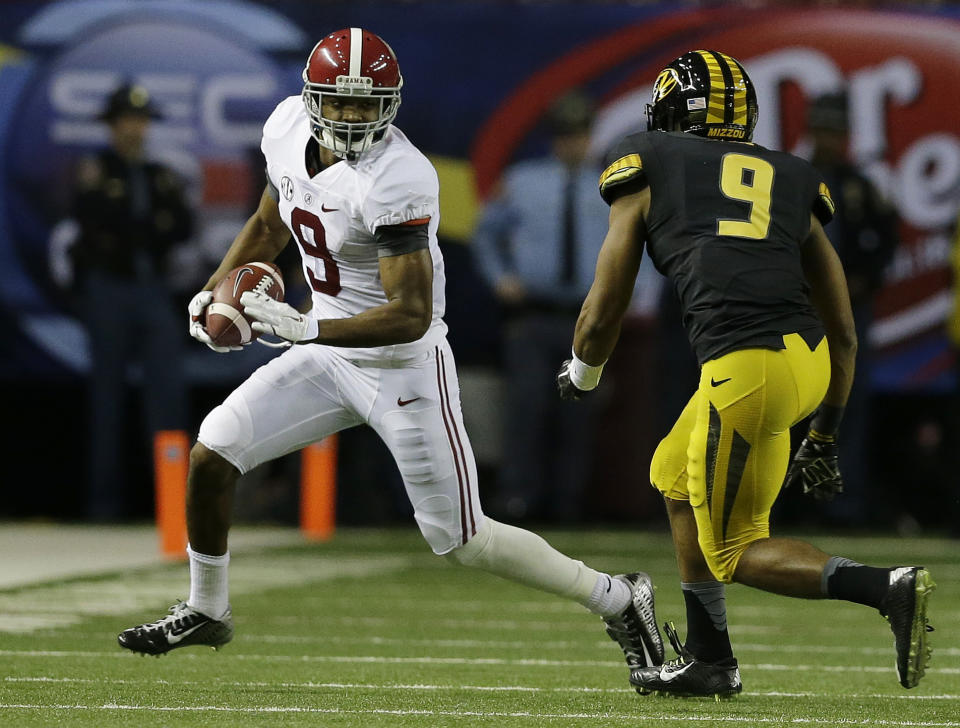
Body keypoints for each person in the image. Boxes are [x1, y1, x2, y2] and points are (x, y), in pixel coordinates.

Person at [115, 28, 663, 675]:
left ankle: (619, 597)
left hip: (403, 366)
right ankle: (208, 608)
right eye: (339, 103)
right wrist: (216, 293)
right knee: (212, 453)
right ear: (311, 100)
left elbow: (407, 314)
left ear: (391, 104)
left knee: (461, 540)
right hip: (324, 351)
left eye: (365, 104)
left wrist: (306, 330)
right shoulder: (287, 128)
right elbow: (270, 221)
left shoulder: (399, 176)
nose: (351, 117)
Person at [556, 50, 936, 697]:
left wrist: (584, 371)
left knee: (734, 549)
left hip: (747, 368)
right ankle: (710, 659)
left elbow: (606, 300)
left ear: (669, 114)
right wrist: (826, 428)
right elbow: (843, 326)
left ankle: (886, 588)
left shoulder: (647, 158)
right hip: (805, 361)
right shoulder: (793, 174)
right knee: (675, 475)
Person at [471, 91, 611, 522]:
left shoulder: (612, 184)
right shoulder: (523, 181)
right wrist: (500, 279)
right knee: (526, 409)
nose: (573, 143)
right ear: (555, 138)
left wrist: (622, 295)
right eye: (565, 135)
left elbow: (635, 247)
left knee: (578, 418)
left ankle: (568, 503)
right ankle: (519, 499)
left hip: (587, 319)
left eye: (580, 134)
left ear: (591, 136)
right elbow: (485, 233)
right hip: (532, 314)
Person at [67, 83, 193, 520]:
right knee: (107, 400)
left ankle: (175, 508)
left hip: (152, 288)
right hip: (109, 289)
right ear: (113, 125)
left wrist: (136, 227)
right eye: (126, 120)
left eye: (140, 121)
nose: (134, 129)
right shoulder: (97, 168)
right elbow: (93, 219)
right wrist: (142, 226)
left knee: (167, 399)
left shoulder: (159, 173)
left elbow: (181, 227)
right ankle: (103, 507)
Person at [805, 91, 899, 527]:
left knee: (847, 408)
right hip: (801, 311)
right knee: (793, 406)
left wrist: (864, 279)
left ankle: (844, 506)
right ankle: (794, 504)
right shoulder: (793, 180)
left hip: (847, 313)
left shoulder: (860, 186)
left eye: (834, 130)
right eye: (821, 128)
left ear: (845, 135)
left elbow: (885, 242)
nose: (827, 138)